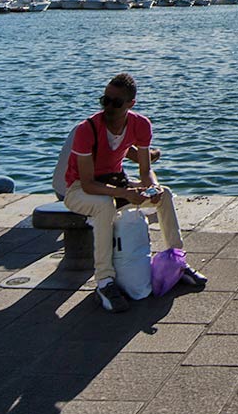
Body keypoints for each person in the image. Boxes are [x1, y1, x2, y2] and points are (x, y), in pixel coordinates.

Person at [61, 72, 205, 312]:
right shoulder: (87, 129)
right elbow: (86, 184)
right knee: (104, 205)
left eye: (116, 102)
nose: (108, 106)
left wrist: (153, 188)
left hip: (116, 183)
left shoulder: (140, 124)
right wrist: (126, 194)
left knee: (166, 195)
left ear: (130, 104)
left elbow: (146, 170)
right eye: (104, 100)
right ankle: (104, 281)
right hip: (79, 190)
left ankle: (177, 262)